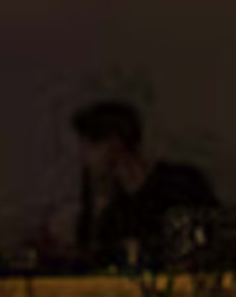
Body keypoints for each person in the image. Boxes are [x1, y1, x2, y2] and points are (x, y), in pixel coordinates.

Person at [70, 100, 219, 269]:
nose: (82, 158)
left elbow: (210, 238)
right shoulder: (110, 203)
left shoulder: (181, 183)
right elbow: (92, 258)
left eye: (89, 148)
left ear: (115, 144)